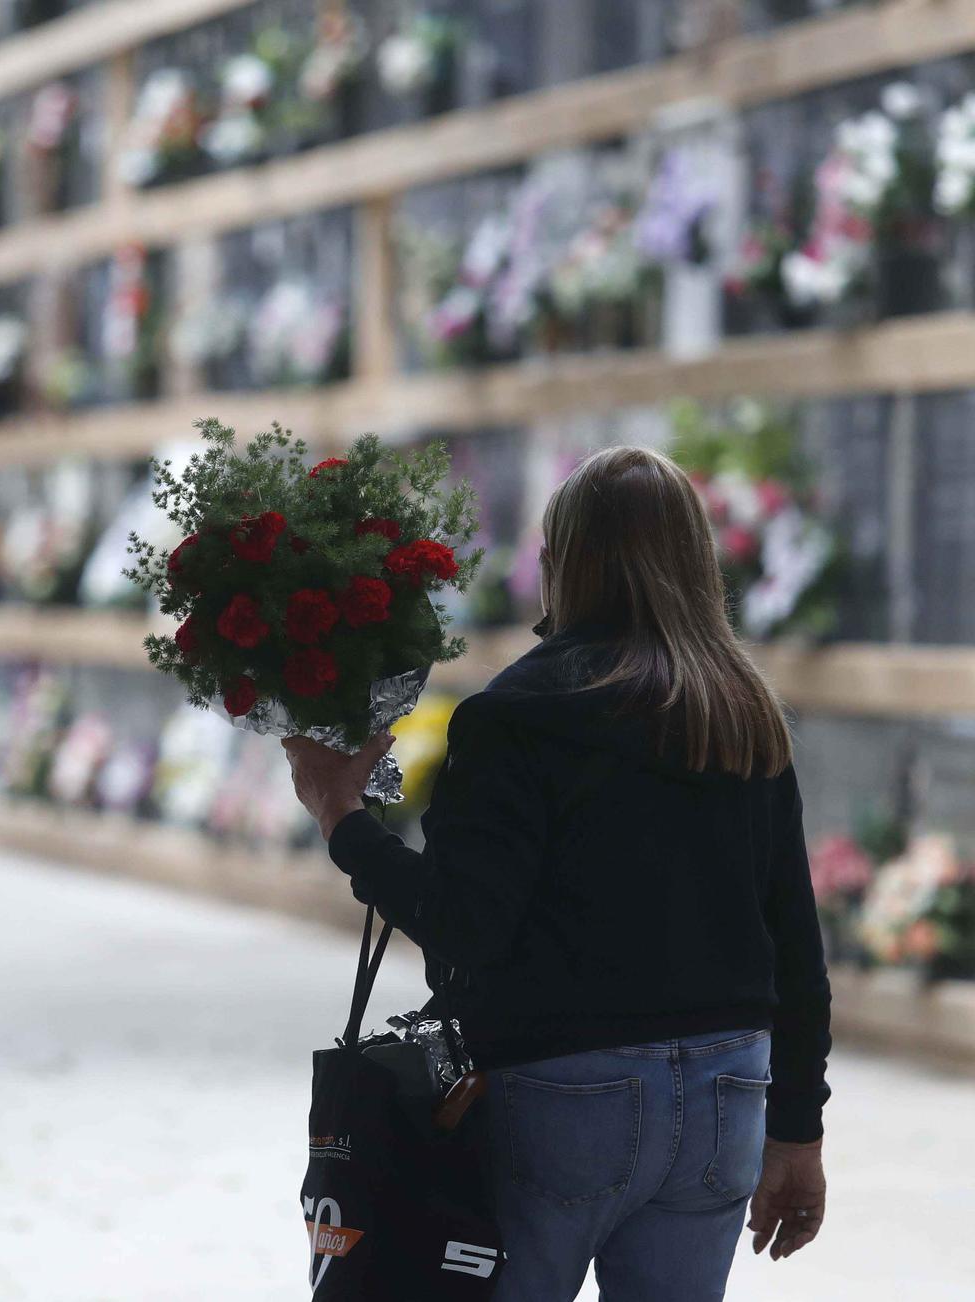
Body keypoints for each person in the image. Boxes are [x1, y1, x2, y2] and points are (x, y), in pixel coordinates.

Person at [284, 446, 831, 1301]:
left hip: (568, 1092)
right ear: (695, 558)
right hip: (732, 1087)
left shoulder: (516, 719)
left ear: (559, 562)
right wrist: (799, 1131)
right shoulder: (741, 712)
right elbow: (795, 938)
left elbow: (467, 924)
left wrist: (342, 820)